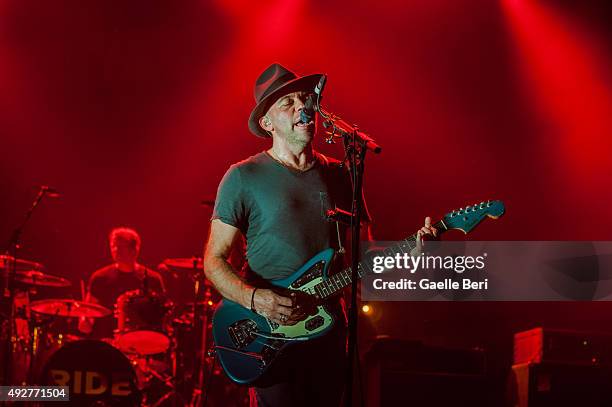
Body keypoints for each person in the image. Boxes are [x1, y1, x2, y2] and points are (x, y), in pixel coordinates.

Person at [203, 63, 437, 407]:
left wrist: (410, 257)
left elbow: (365, 261)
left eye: (305, 100)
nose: (303, 108)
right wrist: (256, 299)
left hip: (327, 330)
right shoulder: (243, 176)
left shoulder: (340, 176)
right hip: (269, 330)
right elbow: (213, 260)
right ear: (267, 123)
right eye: (288, 103)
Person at [79, 227, 165, 338]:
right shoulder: (99, 277)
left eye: (120, 247)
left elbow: (160, 316)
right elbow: (88, 310)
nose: (115, 250)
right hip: (105, 342)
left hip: (141, 343)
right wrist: (84, 322)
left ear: (135, 250)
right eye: (113, 246)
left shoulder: (152, 279)